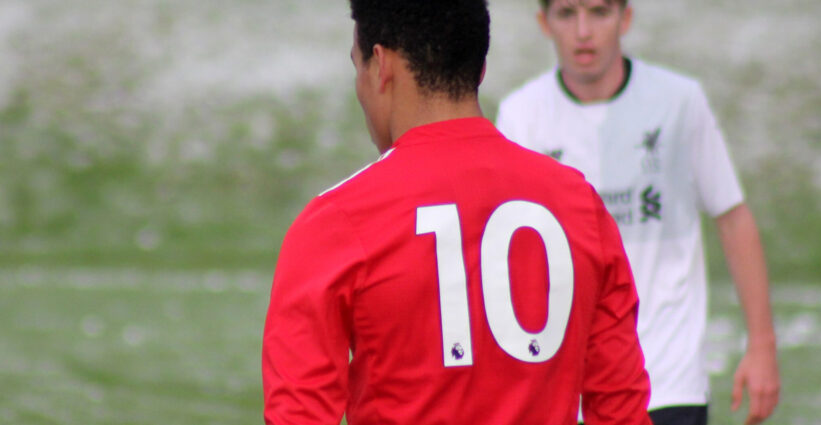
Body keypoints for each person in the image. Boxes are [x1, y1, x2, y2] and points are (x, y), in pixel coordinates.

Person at [261, 0, 652, 424]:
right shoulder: (579, 205)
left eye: (357, 67)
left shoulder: (335, 222)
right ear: (479, 69)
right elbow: (621, 411)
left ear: (380, 65)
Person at [495, 1, 781, 424]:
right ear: (543, 23)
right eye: (566, 13)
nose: (583, 30)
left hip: (668, 379)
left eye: (599, 12)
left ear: (626, 17)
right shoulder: (520, 117)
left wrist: (762, 346)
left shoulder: (679, 102)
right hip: (571, 389)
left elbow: (732, 216)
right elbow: (507, 254)